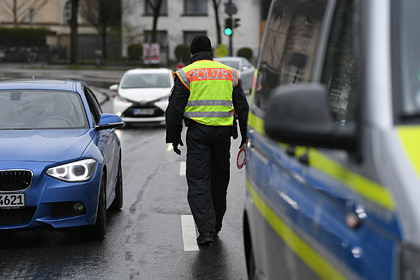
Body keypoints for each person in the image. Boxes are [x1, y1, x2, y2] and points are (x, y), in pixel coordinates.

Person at [165, 35, 249, 245]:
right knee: (220, 180)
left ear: (192, 54)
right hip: (223, 134)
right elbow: (243, 106)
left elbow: (175, 109)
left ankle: (206, 230)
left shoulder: (187, 74)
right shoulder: (229, 73)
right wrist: (246, 136)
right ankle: (216, 223)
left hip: (198, 133)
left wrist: (174, 137)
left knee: (198, 180)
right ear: (211, 52)